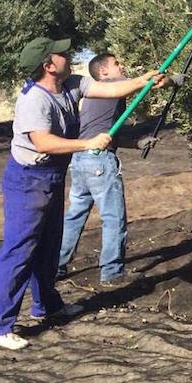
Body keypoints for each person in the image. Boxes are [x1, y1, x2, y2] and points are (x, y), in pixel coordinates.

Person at [0, 37, 163, 352]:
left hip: (52, 177)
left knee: (49, 247)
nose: (68, 54)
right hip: (28, 180)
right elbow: (44, 143)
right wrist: (88, 144)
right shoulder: (34, 100)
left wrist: (142, 80)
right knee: (20, 251)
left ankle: (47, 305)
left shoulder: (70, 83)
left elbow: (111, 89)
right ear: (48, 65)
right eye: (61, 53)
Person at [56, 52, 157, 285]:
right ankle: (112, 273)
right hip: (99, 162)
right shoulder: (112, 85)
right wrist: (171, 80)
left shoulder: (96, 96)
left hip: (81, 160)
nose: (122, 66)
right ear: (103, 72)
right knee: (114, 218)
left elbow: (106, 134)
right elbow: (149, 82)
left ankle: (56, 266)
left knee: (74, 216)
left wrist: (137, 143)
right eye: (116, 64)